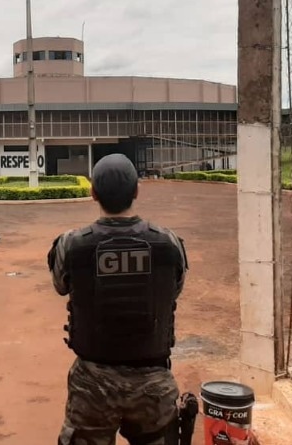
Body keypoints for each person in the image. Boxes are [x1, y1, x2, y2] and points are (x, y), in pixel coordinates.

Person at [47, 153, 189, 445]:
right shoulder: (168, 241)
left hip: (92, 385)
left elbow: (60, 286)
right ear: (136, 191)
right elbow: (174, 290)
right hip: (153, 382)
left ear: (93, 193)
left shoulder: (71, 244)